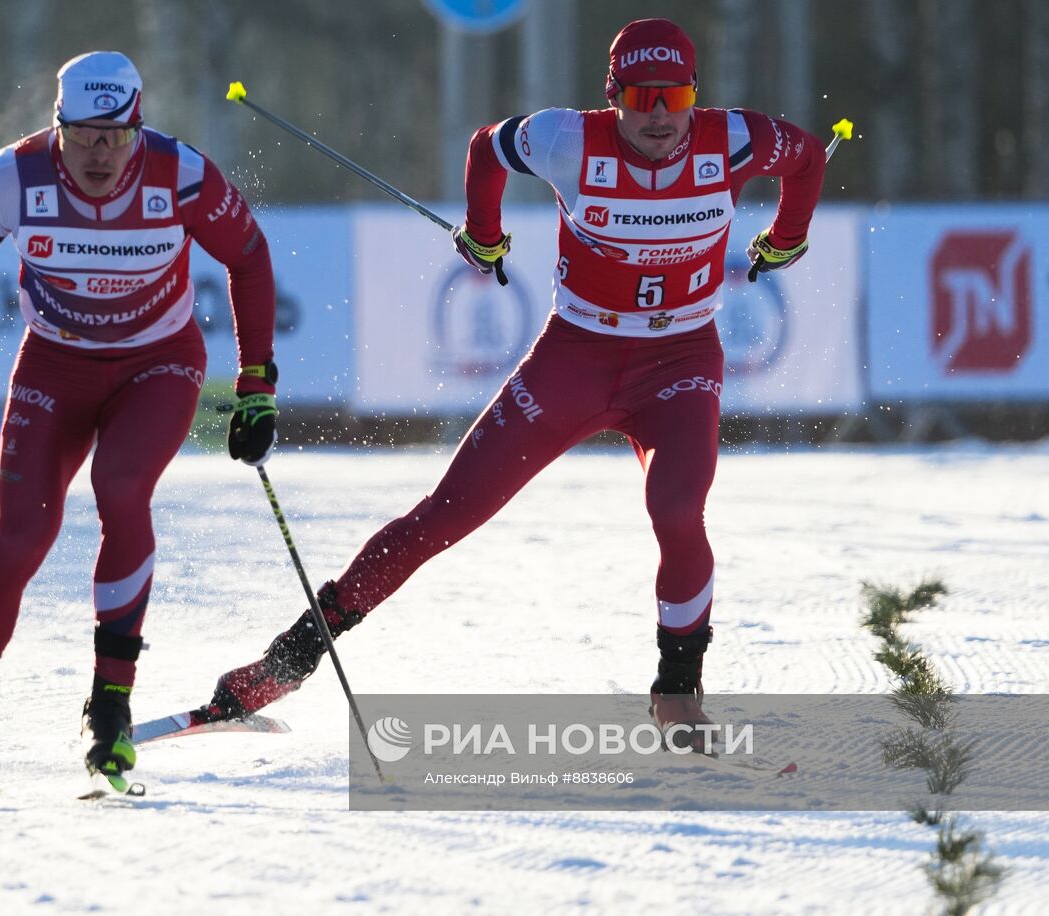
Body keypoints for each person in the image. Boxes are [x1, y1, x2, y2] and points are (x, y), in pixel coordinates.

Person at [202, 18, 825, 742]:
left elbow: (807, 157)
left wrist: (786, 239)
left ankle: (678, 690)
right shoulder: (568, 138)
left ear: (696, 94)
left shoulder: (735, 139)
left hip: (678, 363)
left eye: (677, 94)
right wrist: (485, 231)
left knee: (678, 510)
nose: (660, 114)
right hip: (576, 359)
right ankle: (286, 661)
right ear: (613, 95)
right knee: (443, 517)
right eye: (642, 96)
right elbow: (487, 149)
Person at [0, 51, 280, 798]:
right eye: (84, 135)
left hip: (157, 364)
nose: (100, 153)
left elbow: (250, 259)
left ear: (139, 126)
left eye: (117, 136)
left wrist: (257, 385)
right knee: (20, 540)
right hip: (54, 367)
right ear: (58, 125)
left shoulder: (182, 174)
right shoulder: (13, 176)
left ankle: (111, 708)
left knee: (121, 486)